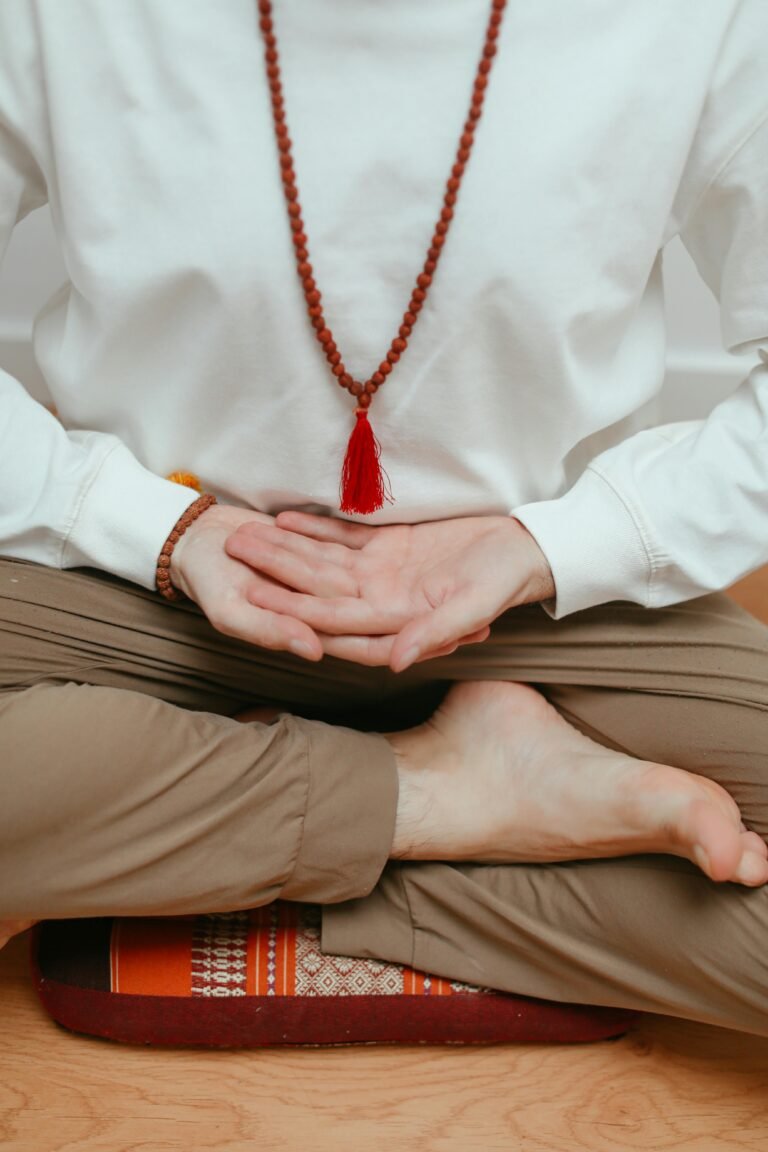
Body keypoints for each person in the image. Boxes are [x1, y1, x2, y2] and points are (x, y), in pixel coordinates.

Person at [1, 0, 767, 1034]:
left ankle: (190, 852)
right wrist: (148, 527)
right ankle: (450, 800)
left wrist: (549, 547)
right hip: (143, 591)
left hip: (535, 625)